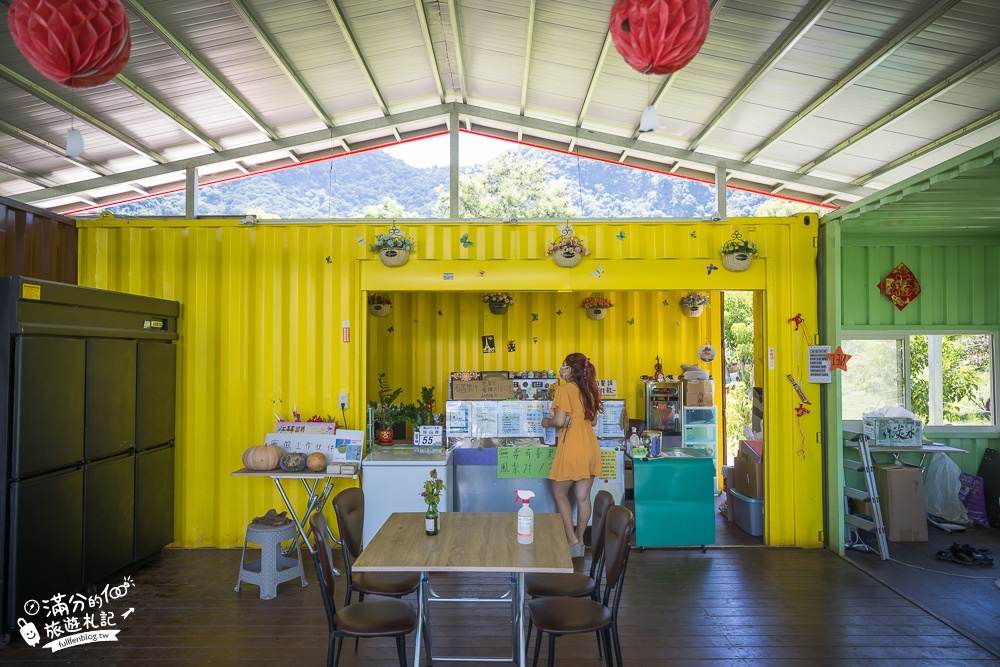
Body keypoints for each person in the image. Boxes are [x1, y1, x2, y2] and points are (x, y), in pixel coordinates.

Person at [540, 352, 604, 558]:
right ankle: (580, 540)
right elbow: (592, 422)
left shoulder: (565, 389)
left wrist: (546, 422)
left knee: (559, 492)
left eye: (564, 366)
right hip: (590, 444)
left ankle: (572, 540)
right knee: (583, 497)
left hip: (573, 444)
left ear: (572, 370)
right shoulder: (590, 390)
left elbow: (558, 421)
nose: (561, 369)